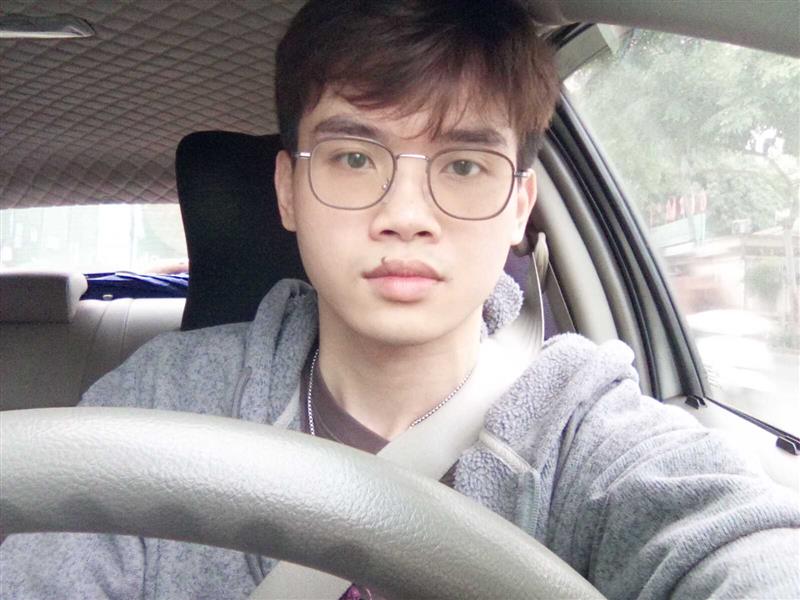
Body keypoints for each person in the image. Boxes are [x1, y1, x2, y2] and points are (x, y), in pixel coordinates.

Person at [2, 0, 798, 598]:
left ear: (518, 208)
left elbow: (728, 541)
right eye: (354, 158)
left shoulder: (583, 427)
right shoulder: (160, 403)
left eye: (464, 166)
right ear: (288, 191)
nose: (406, 216)